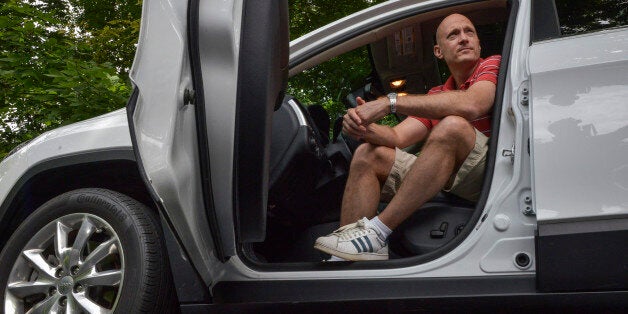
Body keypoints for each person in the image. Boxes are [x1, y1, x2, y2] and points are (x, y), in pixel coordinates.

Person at [314, 13, 501, 261]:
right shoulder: (437, 94)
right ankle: (344, 251)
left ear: (479, 44)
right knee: (369, 153)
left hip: (493, 174)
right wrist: (361, 125)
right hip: (451, 175)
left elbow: (473, 104)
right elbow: (397, 136)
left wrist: (390, 102)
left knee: (452, 126)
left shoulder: (492, 64)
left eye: (469, 32)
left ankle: (376, 233)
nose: (464, 39)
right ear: (438, 51)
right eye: (453, 35)